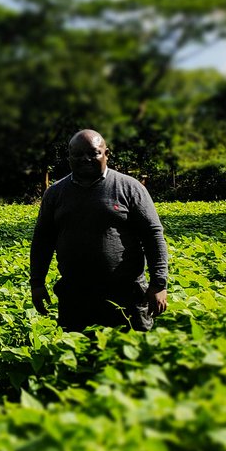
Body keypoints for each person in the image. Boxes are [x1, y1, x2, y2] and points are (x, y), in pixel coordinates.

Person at [30, 129, 168, 332]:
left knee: (129, 359)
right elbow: (43, 240)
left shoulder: (129, 188)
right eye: (77, 154)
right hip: (75, 297)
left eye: (93, 153)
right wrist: (37, 283)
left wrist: (159, 284)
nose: (85, 159)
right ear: (69, 157)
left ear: (106, 154)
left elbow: (153, 235)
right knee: (79, 358)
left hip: (126, 296)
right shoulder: (55, 193)